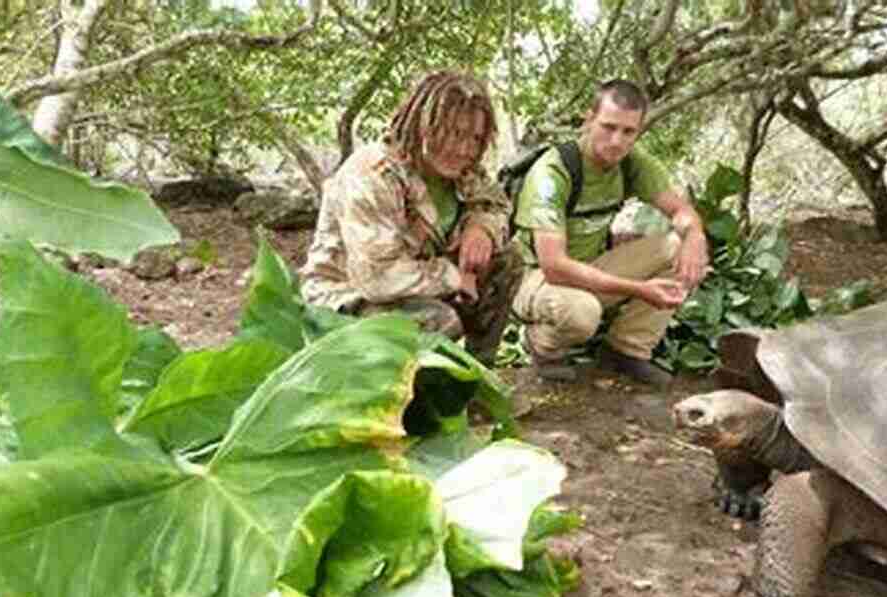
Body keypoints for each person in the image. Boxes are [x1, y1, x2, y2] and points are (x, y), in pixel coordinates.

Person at [301, 70, 522, 363]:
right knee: (437, 322)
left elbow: (496, 204)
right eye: (454, 133)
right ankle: (405, 399)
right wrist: (455, 277)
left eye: (475, 137)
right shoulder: (371, 176)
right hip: (350, 296)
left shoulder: (464, 172)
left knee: (508, 261)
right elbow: (377, 278)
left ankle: (479, 377)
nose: (464, 148)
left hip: (422, 283)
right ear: (422, 124)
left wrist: (481, 228)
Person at [509, 79, 709, 387]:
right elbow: (555, 266)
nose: (616, 141)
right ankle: (541, 344)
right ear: (589, 120)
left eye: (628, 132)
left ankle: (626, 350)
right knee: (582, 312)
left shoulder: (632, 165)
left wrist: (695, 236)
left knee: (677, 247)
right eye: (608, 127)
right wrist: (638, 289)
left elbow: (681, 212)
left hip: (590, 267)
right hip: (536, 278)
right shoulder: (553, 171)